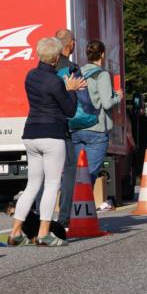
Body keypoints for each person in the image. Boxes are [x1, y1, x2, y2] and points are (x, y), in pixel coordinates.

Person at [7, 37, 85, 247]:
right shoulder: (55, 82)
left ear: (39, 54)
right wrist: (71, 90)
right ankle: (44, 234)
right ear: (57, 57)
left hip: (31, 133)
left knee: (32, 184)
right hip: (52, 134)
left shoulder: (30, 76)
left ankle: (15, 232)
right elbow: (69, 111)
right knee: (52, 184)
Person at [72, 40, 123, 212]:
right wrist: (118, 97)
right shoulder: (102, 75)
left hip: (77, 128)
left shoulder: (79, 72)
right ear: (102, 54)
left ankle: (70, 209)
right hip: (96, 129)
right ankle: (81, 212)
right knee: (90, 174)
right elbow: (107, 104)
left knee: (77, 173)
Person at [54, 28, 80, 227]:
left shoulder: (42, 71)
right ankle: (63, 219)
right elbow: (76, 103)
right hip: (63, 128)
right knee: (70, 171)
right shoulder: (71, 69)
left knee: (44, 176)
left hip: (41, 128)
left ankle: (38, 219)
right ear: (70, 44)